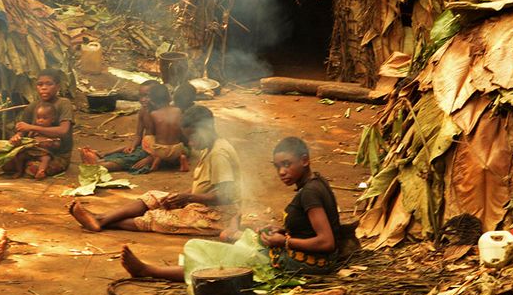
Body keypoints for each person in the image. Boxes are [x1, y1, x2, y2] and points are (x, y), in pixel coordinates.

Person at [118, 137, 349, 283]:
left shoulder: (309, 192)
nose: (281, 172)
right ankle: (231, 238)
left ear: (305, 161)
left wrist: (284, 242)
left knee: (221, 264)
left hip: (308, 264)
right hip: (305, 256)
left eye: (287, 165)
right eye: (278, 167)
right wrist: (281, 230)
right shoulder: (314, 184)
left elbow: (326, 242)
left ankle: (148, 270)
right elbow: (312, 229)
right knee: (240, 243)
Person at [68, 105, 240, 236]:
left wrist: (189, 198)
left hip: (217, 216)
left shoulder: (219, 154)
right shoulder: (209, 148)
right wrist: (181, 197)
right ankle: (102, 217)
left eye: (192, 137)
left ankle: (102, 221)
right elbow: (203, 185)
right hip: (201, 203)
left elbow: (227, 196)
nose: (191, 143)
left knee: (159, 218)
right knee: (152, 197)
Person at [6, 69, 73, 174]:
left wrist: (32, 127)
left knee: (33, 169)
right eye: (40, 84)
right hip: (33, 151)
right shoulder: (33, 106)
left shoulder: (64, 104)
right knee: (6, 164)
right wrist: (17, 136)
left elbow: (63, 130)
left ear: (58, 87)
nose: (44, 88)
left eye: (49, 84)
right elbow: (22, 129)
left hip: (56, 155)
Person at [4, 101, 67, 179]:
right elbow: (28, 137)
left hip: (43, 153)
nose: (40, 120)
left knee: (46, 159)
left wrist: (52, 143)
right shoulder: (33, 129)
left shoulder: (51, 130)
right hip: (31, 151)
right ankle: (19, 171)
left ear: (52, 119)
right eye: (38, 118)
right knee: (19, 156)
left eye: (44, 118)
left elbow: (57, 142)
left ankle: (41, 172)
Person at [140, 82, 188, 171]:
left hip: (161, 151)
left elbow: (152, 132)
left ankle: (156, 158)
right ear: (169, 97)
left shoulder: (154, 114)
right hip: (177, 149)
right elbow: (181, 129)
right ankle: (181, 158)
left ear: (152, 100)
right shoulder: (178, 110)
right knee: (181, 148)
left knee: (147, 138)